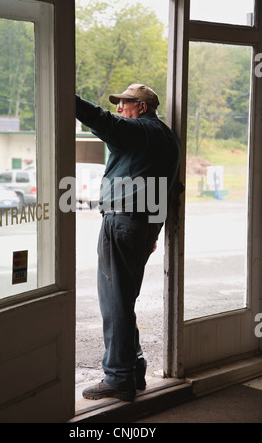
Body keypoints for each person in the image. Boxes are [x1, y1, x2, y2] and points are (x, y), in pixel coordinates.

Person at [76, 83, 180, 401]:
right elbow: (170, 188)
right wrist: (155, 232)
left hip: (123, 222)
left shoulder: (138, 131)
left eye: (125, 103)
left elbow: (100, 119)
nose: (120, 108)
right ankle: (133, 369)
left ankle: (119, 378)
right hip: (144, 224)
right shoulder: (167, 138)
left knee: (114, 302)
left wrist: (64, 91)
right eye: (119, 104)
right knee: (124, 300)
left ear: (142, 107)